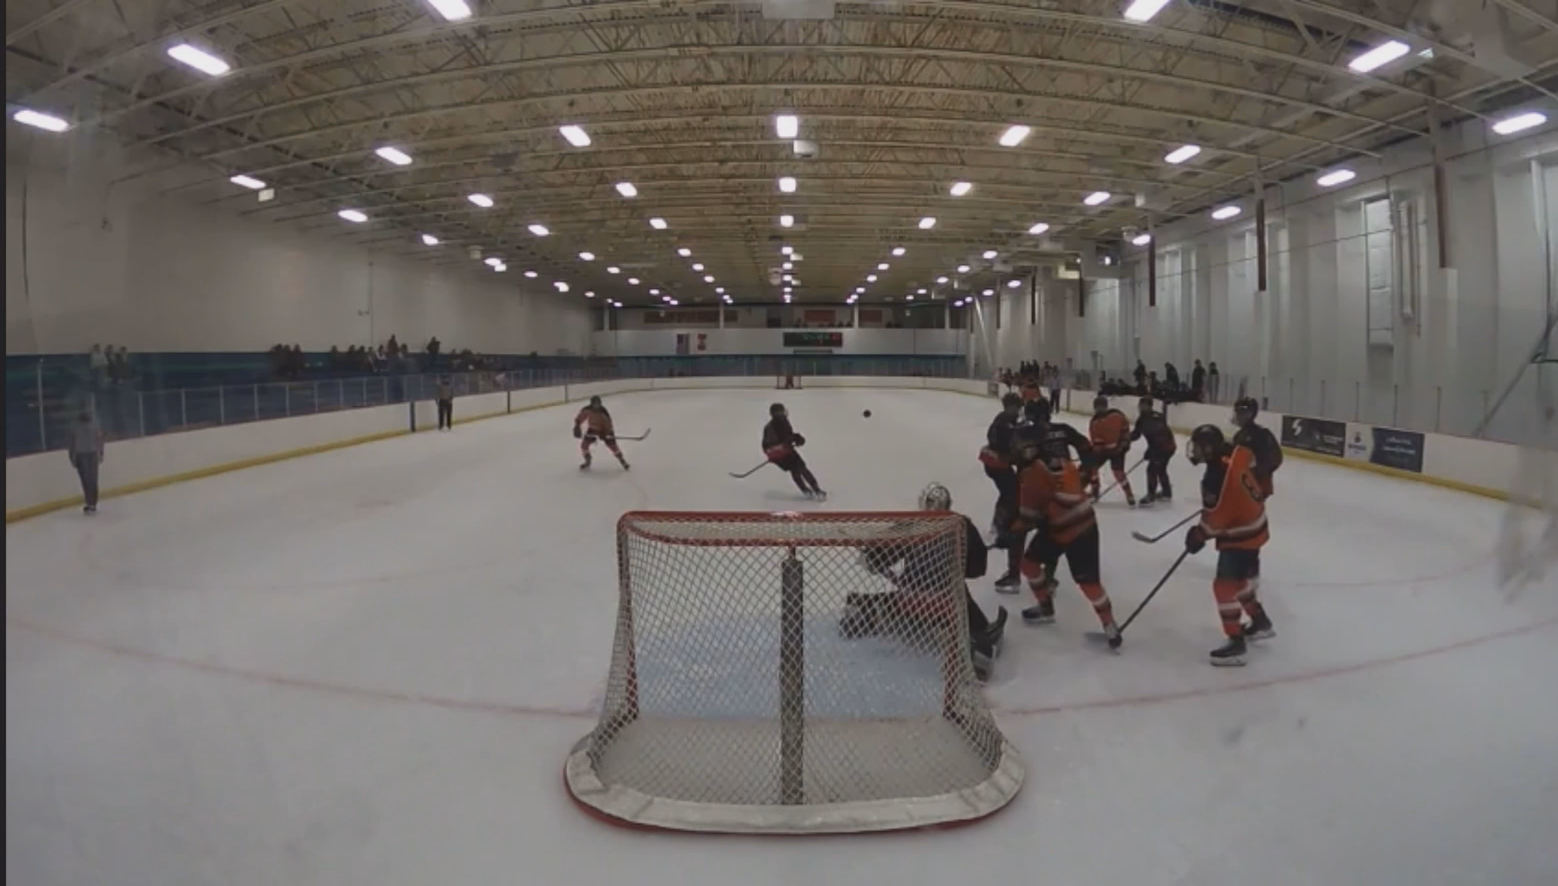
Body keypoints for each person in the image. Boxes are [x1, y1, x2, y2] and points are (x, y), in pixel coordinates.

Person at [845, 483, 1008, 681]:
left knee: (896, 597)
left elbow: (879, 556)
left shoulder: (911, 524)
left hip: (909, 601)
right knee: (974, 617)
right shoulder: (963, 525)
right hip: (947, 604)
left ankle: (863, 609)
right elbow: (977, 569)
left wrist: (871, 558)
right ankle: (979, 649)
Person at [1007, 423, 1122, 647]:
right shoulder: (1058, 461)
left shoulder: (1032, 474)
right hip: (1066, 526)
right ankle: (1051, 609)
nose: (1015, 450)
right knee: (1032, 564)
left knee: (1087, 583)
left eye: (1019, 446)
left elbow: (1027, 516)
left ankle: (1109, 626)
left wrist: (1010, 534)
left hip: (1077, 530)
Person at [1185, 425, 1275, 665]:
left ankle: (1236, 643)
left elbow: (1215, 522)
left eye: (1198, 446)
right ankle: (1260, 622)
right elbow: (1248, 465)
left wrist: (1198, 535)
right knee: (1239, 582)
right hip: (1256, 524)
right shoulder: (1235, 453)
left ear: (1208, 448)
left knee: (1223, 587)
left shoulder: (1213, 478)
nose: (1195, 451)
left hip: (1241, 535)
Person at [981, 393, 1024, 543]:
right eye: (1017, 407)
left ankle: (1000, 521)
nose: (1019, 410)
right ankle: (1001, 524)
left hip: (995, 462)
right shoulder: (1005, 423)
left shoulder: (1004, 419)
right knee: (1010, 492)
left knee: (1010, 491)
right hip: (996, 464)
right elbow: (1007, 444)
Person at [762, 402, 824, 499]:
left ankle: (807, 490)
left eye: (781, 412)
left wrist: (795, 438)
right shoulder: (775, 425)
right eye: (779, 413)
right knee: (801, 468)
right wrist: (795, 439)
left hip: (782, 453)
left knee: (796, 470)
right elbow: (782, 439)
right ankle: (815, 490)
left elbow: (786, 436)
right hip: (782, 453)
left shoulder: (779, 423)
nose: (781, 414)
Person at [1087, 395, 1136, 506]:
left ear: (1106, 406)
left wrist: (1124, 444)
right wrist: (1095, 450)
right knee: (1091, 467)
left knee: (1118, 473)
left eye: (1101, 407)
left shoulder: (1117, 415)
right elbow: (1095, 440)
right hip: (1103, 450)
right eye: (1097, 407)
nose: (1099, 409)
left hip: (1117, 450)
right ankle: (1095, 491)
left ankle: (1129, 494)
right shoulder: (1094, 422)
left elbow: (1125, 430)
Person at [1231, 397, 1283, 499]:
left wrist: (1258, 471)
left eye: (1241, 413)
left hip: (1258, 484)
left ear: (1250, 414)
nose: (1237, 416)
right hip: (1242, 483)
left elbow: (1276, 458)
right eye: (1236, 412)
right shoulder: (1238, 436)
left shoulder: (1262, 434)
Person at [1131, 396, 1177, 505]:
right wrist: (1126, 438)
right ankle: (1166, 492)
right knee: (1160, 469)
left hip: (1166, 447)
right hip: (1158, 448)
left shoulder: (1156, 418)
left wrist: (1152, 452)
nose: (1141, 408)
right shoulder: (1142, 418)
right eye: (1140, 405)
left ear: (1149, 406)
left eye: (1143, 406)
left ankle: (1151, 495)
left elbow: (1160, 437)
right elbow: (1137, 434)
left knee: (1152, 470)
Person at [573, 395, 629, 471]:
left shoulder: (603, 412)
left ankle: (622, 460)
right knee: (584, 445)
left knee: (613, 446)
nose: (597, 406)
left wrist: (605, 433)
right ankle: (587, 460)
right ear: (591, 404)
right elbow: (580, 417)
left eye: (598, 404)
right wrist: (577, 426)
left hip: (606, 430)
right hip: (593, 429)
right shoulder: (587, 410)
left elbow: (608, 425)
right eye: (595, 404)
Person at [68, 406, 106, 514]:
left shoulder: (94, 424)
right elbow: (71, 443)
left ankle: (92, 502)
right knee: (86, 480)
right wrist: (72, 456)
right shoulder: (75, 426)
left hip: (91, 454)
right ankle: (90, 502)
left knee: (92, 479)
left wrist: (101, 452)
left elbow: (100, 438)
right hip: (82, 455)